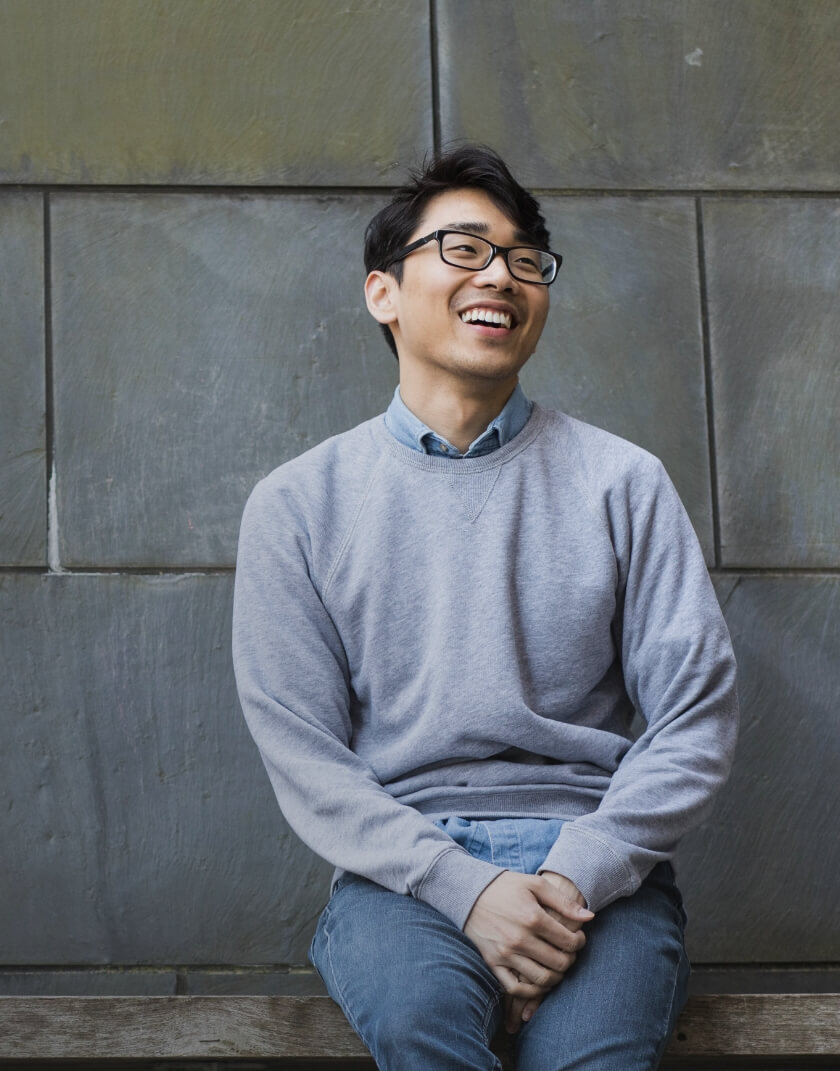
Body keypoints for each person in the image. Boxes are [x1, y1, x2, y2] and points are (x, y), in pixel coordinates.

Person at [231, 145, 737, 1070]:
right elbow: (305, 754)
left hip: (597, 873)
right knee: (425, 1023)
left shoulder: (623, 483)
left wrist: (567, 880)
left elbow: (695, 718)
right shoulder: (299, 505)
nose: (500, 274)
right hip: (404, 876)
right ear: (383, 292)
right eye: (463, 248)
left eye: (524, 258)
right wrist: (465, 889)